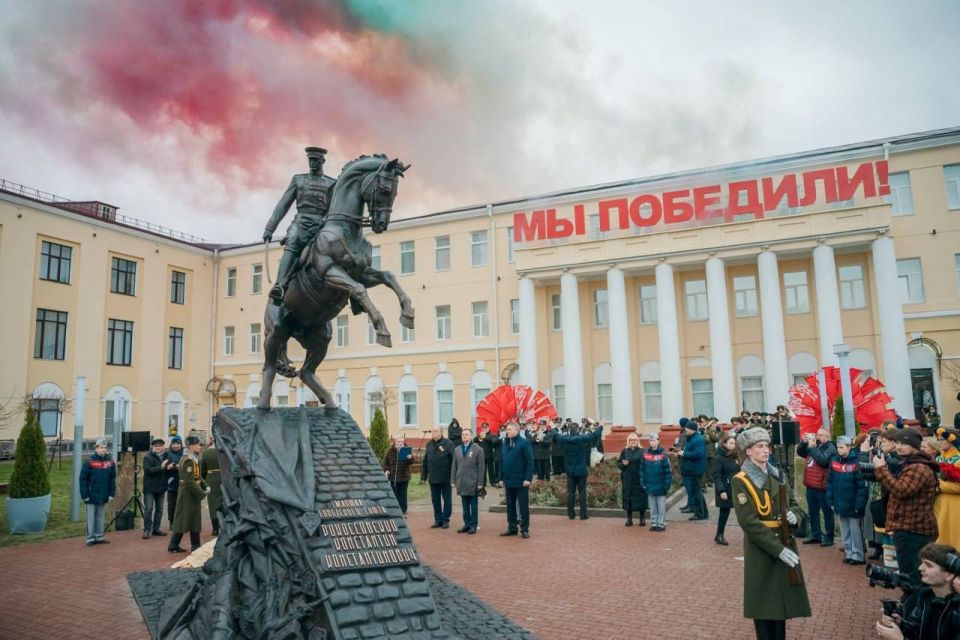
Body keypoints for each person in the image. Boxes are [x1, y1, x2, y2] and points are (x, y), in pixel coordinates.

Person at [732, 427, 811, 640]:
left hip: (785, 541)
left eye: (767, 446)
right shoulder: (742, 480)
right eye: (760, 446)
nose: (766, 450)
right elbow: (749, 523)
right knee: (764, 606)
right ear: (748, 451)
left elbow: (794, 504)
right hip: (763, 549)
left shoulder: (777, 474)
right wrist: (778, 550)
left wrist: (794, 515)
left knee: (781, 607)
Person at [262, 146, 336, 302]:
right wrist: (270, 228)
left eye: (315, 160)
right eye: (310, 160)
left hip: (323, 224)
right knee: (293, 243)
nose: (312, 163)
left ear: (323, 161)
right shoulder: (299, 180)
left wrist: (326, 220)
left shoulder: (331, 183)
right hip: (301, 222)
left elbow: (335, 208)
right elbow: (283, 204)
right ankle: (280, 286)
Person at [873, 427, 941, 592]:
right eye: (897, 442)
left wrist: (882, 470)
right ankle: (912, 609)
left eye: (903, 443)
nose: (898, 446)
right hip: (908, 528)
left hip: (913, 530)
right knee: (910, 575)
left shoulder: (919, 467)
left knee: (912, 578)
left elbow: (901, 490)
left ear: (914, 446)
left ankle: (913, 613)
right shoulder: (912, 464)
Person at [875, 543, 960, 640]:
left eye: (928, 565)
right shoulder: (926, 596)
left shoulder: (957, 610)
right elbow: (915, 628)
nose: (920, 568)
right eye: (922, 562)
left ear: (949, 575)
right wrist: (900, 624)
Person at [827, 435, 868, 565]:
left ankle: (858, 555)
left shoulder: (856, 463)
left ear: (849, 447)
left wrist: (859, 504)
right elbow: (829, 483)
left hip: (853, 504)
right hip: (839, 503)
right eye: (837, 447)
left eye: (842, 447)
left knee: (855, 531)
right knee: (845, 531)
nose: (839, 450)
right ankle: (849, 552)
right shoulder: (834, 461)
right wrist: (831, 500)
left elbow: (862, 487)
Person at [796, 428, 837, 547]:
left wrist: (813, 448)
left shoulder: (831, 449)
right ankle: (815, 535)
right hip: (811, 485)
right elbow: (801, 453)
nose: (818, 437)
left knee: (826, 512)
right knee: (813, 511)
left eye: (821, 435)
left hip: (822, 486)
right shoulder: (815, 446)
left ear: (827, 437)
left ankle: (829, 537)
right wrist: (803, 443)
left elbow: (823, 461)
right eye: (817, 434)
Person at [168, 435, 209, 553]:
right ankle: (187, 545)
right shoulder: (187, 460)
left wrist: (205, 485)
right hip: (188, 493)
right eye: (198, 445)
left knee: (192, 518)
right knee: (185, 518)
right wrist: (201, 493)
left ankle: (181, 544)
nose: (199, 447)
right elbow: (189, 480)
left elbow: (198, 476)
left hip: (191, 492)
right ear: (191, 446)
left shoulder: (193, 458)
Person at [498, 421, 533, 538]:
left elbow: (529, 462)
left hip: (521, 481)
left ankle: (524, 529)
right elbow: (503, 462)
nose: (506, 432)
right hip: (508, 480)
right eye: (506, 429)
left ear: (516, 431)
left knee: (523, 506)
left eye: (509, 429)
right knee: (510, 506)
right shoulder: (506, 443)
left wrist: (528, 478)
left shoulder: (524, 443)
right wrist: (501, 478)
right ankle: (512, 528)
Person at [79, 437, 117, 546]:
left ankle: (99, 536)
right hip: (91, 495)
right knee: (91, 517)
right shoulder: (89, 462)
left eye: (105, 448)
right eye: (101, 447)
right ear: (96, 448)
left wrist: (111, 493)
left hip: (103, 494)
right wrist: (84, 495)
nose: (103, 450)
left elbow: (112, 479)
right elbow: (83, 479)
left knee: (100, 516)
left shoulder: (110, 462)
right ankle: (90, 538)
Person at [451, 428, 485, 534]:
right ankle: (466, 524)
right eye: (463, 434)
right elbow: (454, 466)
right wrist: (453, 481)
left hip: (473, 482)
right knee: (465, 506)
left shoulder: (478, 449)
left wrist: (480, 483)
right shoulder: (457, 449)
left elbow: (481, 468)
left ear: (471, 436)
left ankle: (473, 525)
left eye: (466, 434)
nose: (464, 436)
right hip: (461, 481)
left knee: (473, 506)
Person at [559, 424, 595, 520]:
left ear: (569, 430)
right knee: (582, 492)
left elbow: (556, 435)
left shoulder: (564, 438)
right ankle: (583, 515)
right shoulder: (581, 438)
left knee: (570, 493)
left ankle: (571, 514)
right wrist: (600, 426)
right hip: (581, 470)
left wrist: (552, 427)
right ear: (578, 429)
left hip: (570, 470)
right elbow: (593, 435)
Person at [421, 426, 454, 529]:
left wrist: (454, 477)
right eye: (432, 431)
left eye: (435, 431)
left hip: (446, 478)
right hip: (433, 478)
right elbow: (425, 461)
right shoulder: (429, 444)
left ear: (441, 432)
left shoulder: (448, 444)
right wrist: (423, 476)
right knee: (435, 500)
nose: (433, 433)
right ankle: (437, 519)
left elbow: (453, 461)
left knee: (447, 500)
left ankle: (445, 520)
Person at [933, 427, 960, 549]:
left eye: (942, 439)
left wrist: (937, 485)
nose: (939, 443)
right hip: (938, 501)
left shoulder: (958, 458)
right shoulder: (938, 458)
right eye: (938, 440)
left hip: (955, 503)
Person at [712, 433, 740, 545]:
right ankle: (719, 535)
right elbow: (716, 476)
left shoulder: (736, 456)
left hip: (737, 488)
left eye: (734, 443)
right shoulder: (719, 458)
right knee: (724, 513)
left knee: (743, 512)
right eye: (731, 443)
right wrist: (721, 490)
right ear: (724, 444)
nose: (734, 445)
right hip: (725, 489)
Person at [678, 419, 708, 521]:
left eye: (687, 428)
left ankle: (700, 513)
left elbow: (699, 453)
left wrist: (684, 454)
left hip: (695, 470)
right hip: (692, 469)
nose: (685, 429)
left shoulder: (697, 439)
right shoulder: (692, 438)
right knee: (697, 492)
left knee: (696, 492)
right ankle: (704, 513)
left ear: (692, 429)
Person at [643, 433, 673, 531]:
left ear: (658, 441)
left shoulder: (663, 455)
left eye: (654, 440)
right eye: (651, 440)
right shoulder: (646, 454)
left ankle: (661, 524)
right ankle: (654, 523)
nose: (652, 442)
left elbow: (668, 471)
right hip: (650, 485)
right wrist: (643, 483)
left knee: (661, 507)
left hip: (661, 485)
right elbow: (642, 470)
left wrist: (667, 484)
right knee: (652, 506)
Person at [617, 433, 647, 527]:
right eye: (631, 440)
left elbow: (646, 464)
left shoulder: (643, 451)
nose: (633, 441)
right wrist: (623, 464)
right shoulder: (624, 451)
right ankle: (629, 519)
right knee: (628, 498)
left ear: (638, 441)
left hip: (639, 478)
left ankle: (642, 518)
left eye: (634, 440)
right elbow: (619, 465)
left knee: (641, 498)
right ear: (628, 441)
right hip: (628, 479)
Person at [141, 437, 168, 539]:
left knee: (160, 509)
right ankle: (147, 529)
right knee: (148, 509)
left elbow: (168, 470)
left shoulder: (166, 456)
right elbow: (148, 470)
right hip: (150, 488)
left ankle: (156, 528)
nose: (158, 447)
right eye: (156, 446)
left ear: (163, 447)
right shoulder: (148, 457)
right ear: (152, 447)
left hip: (161, 487)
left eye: (160, 446)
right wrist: (161, 467)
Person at [383, 434, 414, 514]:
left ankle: (403, 510)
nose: (399, 443)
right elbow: (385, 462)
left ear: (403, 442)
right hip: (393, 476)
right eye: (398, 441)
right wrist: (386, 470)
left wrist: (410, 458)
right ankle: (395, 510)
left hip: (404, 476)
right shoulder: (391, 450)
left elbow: (411, 462)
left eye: (401, 442)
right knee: (394, 494)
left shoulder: (406, 450)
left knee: (403, 494)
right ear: (395, 442)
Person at [200, 435, 222, 537]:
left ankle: (215, 529)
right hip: (225, 479)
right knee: (225, 503)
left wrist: (205, 481)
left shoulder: (207, 453)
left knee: (213, 505)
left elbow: (202, 470)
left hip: (211, 479)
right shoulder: (226, 451)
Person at [162, 435, 184, 529]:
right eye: (174, 443)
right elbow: (164, 467)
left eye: (178, 443)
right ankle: (172, 522)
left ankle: (181, 521)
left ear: (181, 444)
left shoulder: (185, 453)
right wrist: (170, 467)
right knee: (172, 504)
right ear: (171, 444)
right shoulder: (167, 454)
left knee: (182, 503)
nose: (176, 445)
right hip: (171, 482)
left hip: (183, 482)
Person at [476, 422, 500, 487]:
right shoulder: (480, 435)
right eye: (483, 428)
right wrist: (479, 437)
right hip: (482, 455)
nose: (484, 429)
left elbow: (493, 441)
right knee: (483, 470)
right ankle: (483, 483)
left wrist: (485, 437)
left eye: (486, 428)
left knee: (491, 470)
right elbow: (474, 440)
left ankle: (492, 482)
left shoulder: (491, 435)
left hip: (490, 455)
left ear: (488, 428)